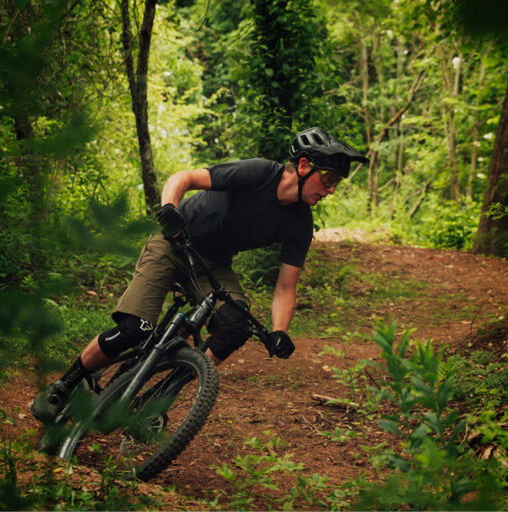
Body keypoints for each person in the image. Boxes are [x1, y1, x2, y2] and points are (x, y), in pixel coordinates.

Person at [31, 127, 369, 423]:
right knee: (134, 329)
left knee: (236, 326)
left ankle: (157, 396)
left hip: (213, 264)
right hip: (173, 243)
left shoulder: (300, 223)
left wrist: (280, 331)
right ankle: (65, 384)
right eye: (329, 179)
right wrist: (170, 211)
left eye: (336, 183)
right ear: (304, 166)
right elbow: (184, 178)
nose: (331, 190)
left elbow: (285, 287)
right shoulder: (259, 173)